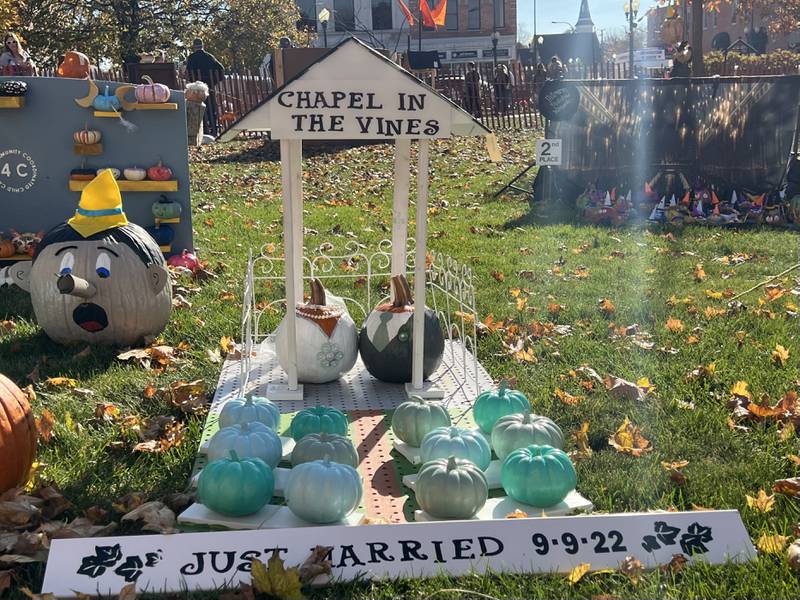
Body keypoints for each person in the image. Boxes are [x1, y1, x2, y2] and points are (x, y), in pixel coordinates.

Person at [186, 38, 225, 137]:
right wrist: (214, 82)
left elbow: (188, 73)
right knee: (211, 107)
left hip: (197, 88)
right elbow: (221, 69)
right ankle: (214, 129)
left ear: (194, 46)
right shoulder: (209, 56)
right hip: (209, 87)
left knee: (198, 108)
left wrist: (193, 82)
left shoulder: (191, 58)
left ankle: (202, 130)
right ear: (203, 45)